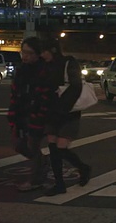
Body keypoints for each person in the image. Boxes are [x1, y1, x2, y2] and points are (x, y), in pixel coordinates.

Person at [40, 39, 91, 196]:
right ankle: (59, 184)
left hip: (68, 113)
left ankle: (83, 168)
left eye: (44, 51)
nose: (42, 55)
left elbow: (76, 87)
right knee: (53, 148)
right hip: (52, 112)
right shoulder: (45, 66)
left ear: (53, 50)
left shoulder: (69, 63)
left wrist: (62, 107)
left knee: (61, 148)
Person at [7, 37, 51, 192]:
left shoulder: (43, 70)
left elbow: (45, 95)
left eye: (29, 53)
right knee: (18, 144)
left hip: (36, 113)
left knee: (33, 144)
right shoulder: (21, 70)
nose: (25, 56)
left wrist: (39, 112)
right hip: (21, 111)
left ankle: (36, 179)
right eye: (23, 52)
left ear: (37, 54)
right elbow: (15, 92)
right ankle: (41, 162)